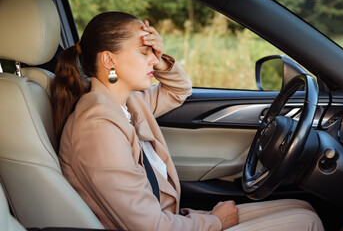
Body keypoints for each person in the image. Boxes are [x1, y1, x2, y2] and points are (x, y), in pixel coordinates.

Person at [50, 12, 324, 231]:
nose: (153, 58)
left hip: (171, 219)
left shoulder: (127, 103)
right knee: (307, 223)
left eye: (153, 51)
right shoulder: (97, 126)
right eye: (144, 51)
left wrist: (159, 57)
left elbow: (179, 90)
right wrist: (214, 222)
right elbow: (147, 226)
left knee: (304, 208)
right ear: (109, 59)